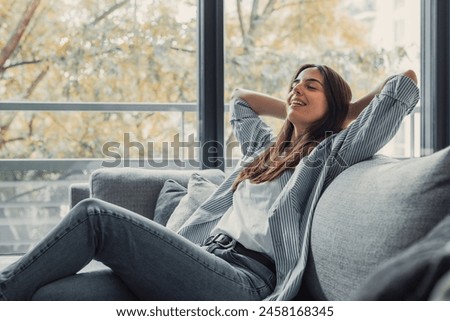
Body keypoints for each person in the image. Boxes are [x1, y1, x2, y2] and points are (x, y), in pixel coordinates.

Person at [0, 64, 419, 301]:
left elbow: (405, 82)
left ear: (334, 105)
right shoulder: (262, 153)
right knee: (52, 296)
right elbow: (240, 98)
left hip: (244, 282)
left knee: (95, 218)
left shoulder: (329, 155)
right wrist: (297, 105)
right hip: (200, 258)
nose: (296, 89)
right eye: (294, 83)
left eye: (312, 86)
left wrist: (344, 111)